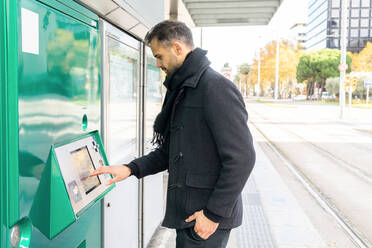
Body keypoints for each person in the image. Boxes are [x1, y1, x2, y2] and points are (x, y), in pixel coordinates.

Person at [90, 20, 256, 248]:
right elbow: (171, 151)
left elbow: (242, 158)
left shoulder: (214, 87)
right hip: (189, 215)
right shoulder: (183, 89)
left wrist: (213, 214)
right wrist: (130, 169)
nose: (158, 64)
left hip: (204, 218)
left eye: (159, 56)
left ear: (178, 48)